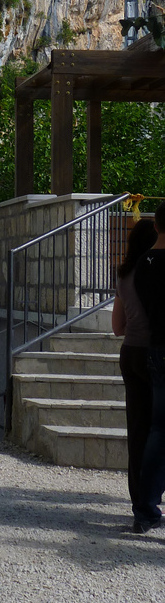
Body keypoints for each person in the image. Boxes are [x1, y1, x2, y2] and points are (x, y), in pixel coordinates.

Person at [113, 217, 158, 518]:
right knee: (160, 429)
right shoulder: (154, 271)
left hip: (129, 353)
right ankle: (154, 495)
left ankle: (137, 497)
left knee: (137, 428)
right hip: (154, 354)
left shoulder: (123, 273)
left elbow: (117, 326)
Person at [133, 201, 165, 533]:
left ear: (156, 226)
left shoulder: (144, 263)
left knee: (158, 430)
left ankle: (146, 508)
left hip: (156, 347)